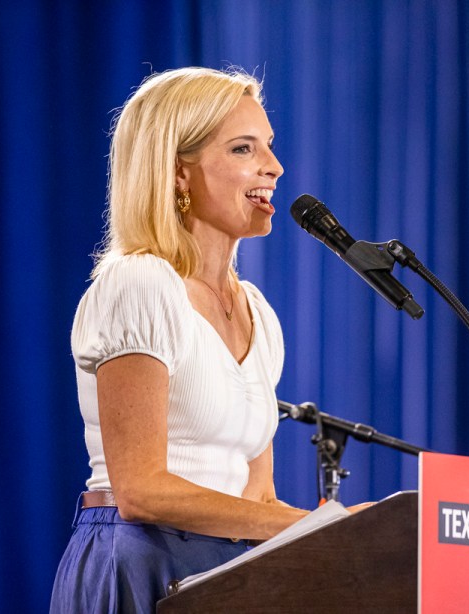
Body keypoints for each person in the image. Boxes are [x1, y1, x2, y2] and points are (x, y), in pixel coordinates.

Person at [50, 66, 365, 613]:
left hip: (229, 570)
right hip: (140, 563)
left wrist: (354, 538)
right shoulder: (141, 283)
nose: (274, 166)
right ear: (177, 173)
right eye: (244, 149)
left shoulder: (257, 314)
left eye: (269, 146)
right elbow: (141, 490)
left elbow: (257, 500)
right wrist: (325, 523)